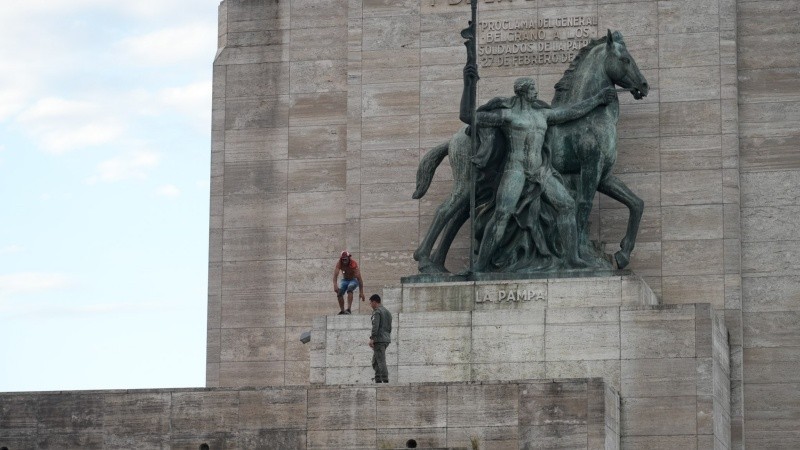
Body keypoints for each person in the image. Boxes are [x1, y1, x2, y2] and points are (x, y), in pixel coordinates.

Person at [460, 64, 617, 271]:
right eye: (533, 88)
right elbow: (468, 117)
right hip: (516, 169)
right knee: (502, 213)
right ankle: (480, 264)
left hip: (540, 171)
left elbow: (570, 113)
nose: (537, 91)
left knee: (567, 205)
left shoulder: (543, 115)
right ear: (524, 92)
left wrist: (596, 100)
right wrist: (468, 83)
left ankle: (572, 258)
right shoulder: (508, 116)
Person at [332, 250, 365, 314]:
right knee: (339, 293)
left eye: (345, 259)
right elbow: (335, 275)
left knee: (350, 289)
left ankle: (349, 309)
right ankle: (342, 310)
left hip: (353, 280)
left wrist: (361, 292)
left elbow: (360, 279)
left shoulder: (353, 264)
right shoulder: (340, 263)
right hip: (344, 280)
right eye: (343, 259)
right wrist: (335, 285)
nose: (344, 261)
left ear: (348, 258)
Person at [368, 294, 392, 383]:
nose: (370, 305)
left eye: (370, 303)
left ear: (374, 302)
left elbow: (375, 326)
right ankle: (378, 380)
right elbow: (389, 327)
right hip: (386, 339)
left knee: (381, 361)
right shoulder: (387, 312)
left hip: (379, 340)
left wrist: (372, 338)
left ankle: (385, 381)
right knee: (375, 361)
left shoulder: (377, 312)